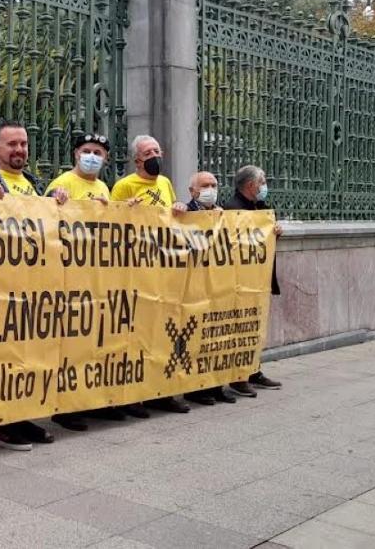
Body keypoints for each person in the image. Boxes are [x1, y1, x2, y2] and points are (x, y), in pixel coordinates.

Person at [0, 120, 68, 450]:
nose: (19, 149)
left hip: (30, 285)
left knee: (26, 355)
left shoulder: (33, 185)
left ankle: (21, 416)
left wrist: (56, 200)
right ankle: (0, 424)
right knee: (0, 356)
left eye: (23, 144)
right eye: (12, 144)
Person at [110, 135, 191, 417]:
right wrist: (125, 211)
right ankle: (132, 395)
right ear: (137, 160)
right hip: (136, 271)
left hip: (163, 269)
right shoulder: (124, 186)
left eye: (157, 150)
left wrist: (180, 208)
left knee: (162, 333)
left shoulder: (165, 183)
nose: (155, 155)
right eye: (148, 152)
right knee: (137, 335)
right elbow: (109, 222)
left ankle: (161, 392)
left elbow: (173, 216)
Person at [45, 132, 113, 431]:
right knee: (68, 344)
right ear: (76, 154)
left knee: (90, 342)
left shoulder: (103, 187)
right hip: (67, 276)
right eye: (87, 151)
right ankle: (64, 407)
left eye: (98, 153)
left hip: (93, 276)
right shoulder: (63, 183)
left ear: (106, 158)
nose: (91, 157)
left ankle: (88, 400)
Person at [222, 165, 284, 397]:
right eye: (262, 182)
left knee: (254, 328)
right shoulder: (232, 209)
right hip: (239, 282)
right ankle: (238, 377)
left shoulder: (260, 208)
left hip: (257, 281)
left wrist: (275, 232)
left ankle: (253, 370)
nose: (265, 186)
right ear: (250, 185)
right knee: (239, 329)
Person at [180, 171, 238, 406]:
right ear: (192, 191)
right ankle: (195, 389)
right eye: (205, 185)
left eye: (214, 185)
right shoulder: (184, 213)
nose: (210, 190)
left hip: (217, 285)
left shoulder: (223, 214)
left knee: (216, 337)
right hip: (193, 286)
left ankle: (216, 384)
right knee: (195, 339)